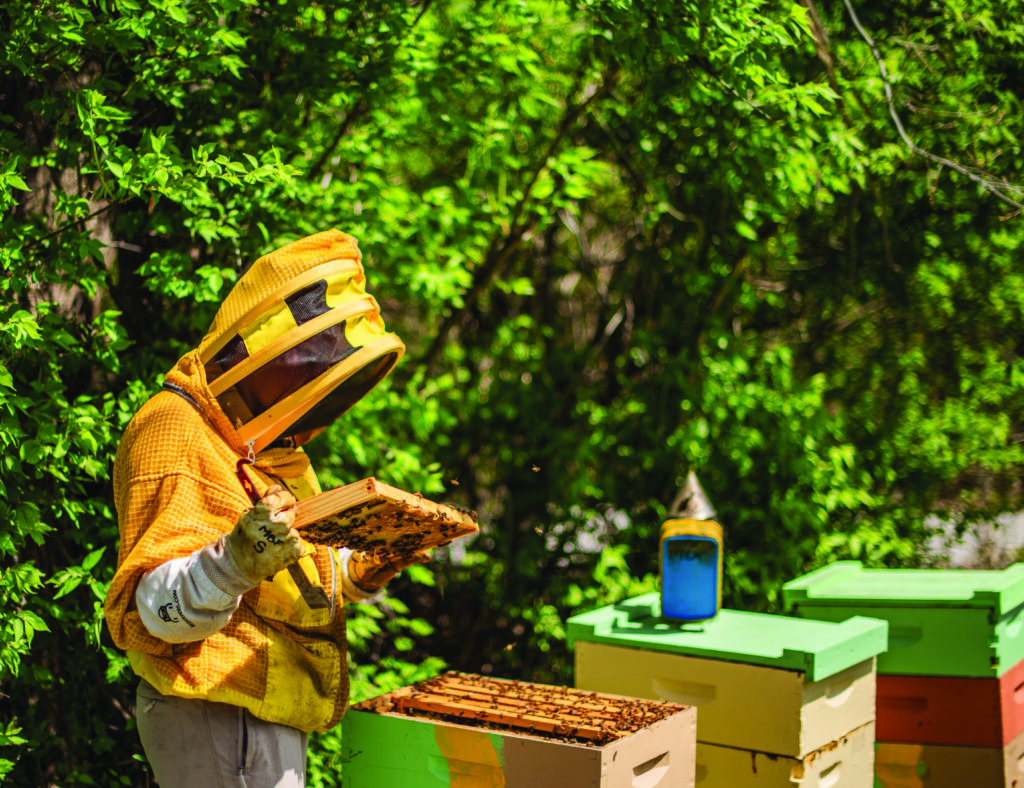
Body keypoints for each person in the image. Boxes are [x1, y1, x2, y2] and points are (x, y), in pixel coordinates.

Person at [103, 229, 424, 787]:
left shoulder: (272, 451)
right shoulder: (173, 429)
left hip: (271, 702)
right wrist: (232, 565)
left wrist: (361, 568)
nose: (303, 383)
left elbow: (297, 573)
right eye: (301, 362)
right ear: (255, 344)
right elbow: (151, 612)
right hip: (209, 705)